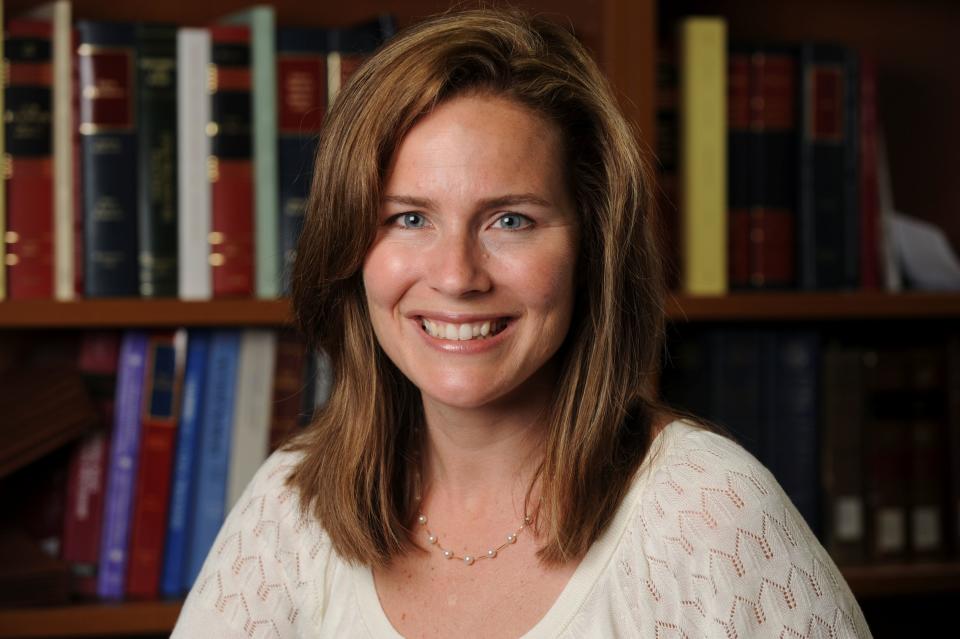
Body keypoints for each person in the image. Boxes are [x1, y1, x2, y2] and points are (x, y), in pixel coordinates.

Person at [173, 8, 871, 638]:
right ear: (352, 246)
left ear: (591, 247)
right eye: (408, 217)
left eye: (511, 219)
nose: (455, 275)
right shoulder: (291, 506)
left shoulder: (711, 516)